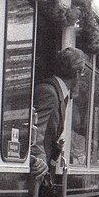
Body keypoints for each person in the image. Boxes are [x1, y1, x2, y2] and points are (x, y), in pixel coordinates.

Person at [29, 47, 86, 181]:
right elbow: (35, 131)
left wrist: (56, 148)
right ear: (77, 73)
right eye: (82, 74)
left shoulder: (57, 93)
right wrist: (40, 159)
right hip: (35, 174)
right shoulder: (49, 92)